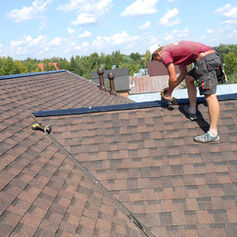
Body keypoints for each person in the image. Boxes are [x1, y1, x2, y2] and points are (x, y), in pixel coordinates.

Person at [151, 40, 221, 143]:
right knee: (189, 78)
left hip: (206, 59)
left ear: (157, 53)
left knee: (210, 96)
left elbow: (172, 77)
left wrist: (169, 93)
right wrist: (170, 88)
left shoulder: (165, 54)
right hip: (207, 58)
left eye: (156, 59)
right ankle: (192, 110)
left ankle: (213, 133)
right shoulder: (173, 53)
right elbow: (183, 74)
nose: (158, 62)